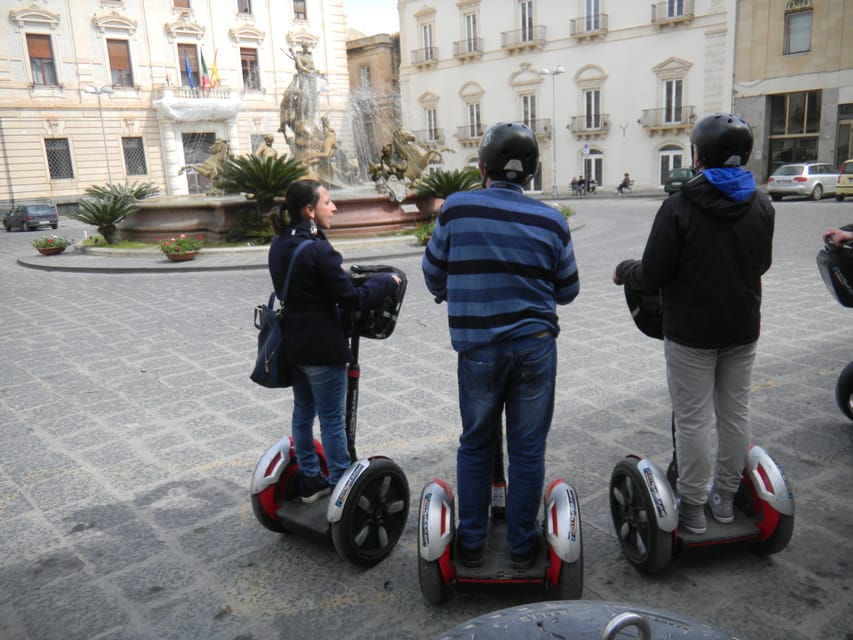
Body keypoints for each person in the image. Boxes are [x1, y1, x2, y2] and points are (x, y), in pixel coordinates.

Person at [422, 122, 580, 568]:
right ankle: (522, 547)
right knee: (528, 449)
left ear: (482, 167)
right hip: (535, 347)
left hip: (479, 351)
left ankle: (470, 547)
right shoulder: (552, 219)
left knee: (476, 443)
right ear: (530, 173)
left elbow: (433, 275)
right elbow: (568, 289)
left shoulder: (456, 209)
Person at [611, 113, 774, 534]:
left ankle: (693, 507)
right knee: (735, 414)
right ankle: (724, 499)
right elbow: (762, 263)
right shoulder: (761, 203)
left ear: (698, 155)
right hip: (742, 327)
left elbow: (654, 274)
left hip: (692, 334)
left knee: (693, 419)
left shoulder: (679, 205)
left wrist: (626, 270)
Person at [268, 179, 401, 503]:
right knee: (331, 419)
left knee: (303, 412)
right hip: (323, 348)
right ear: (310, 210)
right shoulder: (319, 250)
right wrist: (387, 282)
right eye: (328, 202)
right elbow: (352, 299)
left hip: (294, 345)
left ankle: (310, 479)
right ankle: (342, 479)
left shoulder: (280, 243)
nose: (335, 207)